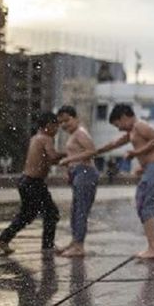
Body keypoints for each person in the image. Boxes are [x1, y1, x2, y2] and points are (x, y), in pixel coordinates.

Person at [95, 104, 154, 259]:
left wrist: (135, 153)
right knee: (148, 206)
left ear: (124, 116)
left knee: (145, 205)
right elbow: (113, 144)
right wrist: (94, 152)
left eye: (118, 124)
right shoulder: (132, 131)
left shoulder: (139, 125)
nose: (118, 128)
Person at [0, 112, 64, 255]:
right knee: (51, 213)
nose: (57, 130)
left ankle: (4, 238)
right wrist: (68, 153)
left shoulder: (36, 137)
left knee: (27, 214)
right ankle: (48, 246)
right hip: (34, 183)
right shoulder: (46, 138)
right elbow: (53, 157)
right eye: (56, 127)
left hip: (25, 181)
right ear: (48, 126)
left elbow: (47, 160)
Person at [55, 105, 100, 257]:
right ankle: (75, 242)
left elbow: (92, 151)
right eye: (61, 122)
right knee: (75, 211)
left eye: (67, 120)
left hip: (86, 173)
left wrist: (69, 159)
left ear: (75, 118)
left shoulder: (80, 132)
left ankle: (79, 246)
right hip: (78, 173)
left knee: (80, 211)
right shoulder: (74, 134)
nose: (64, 125)